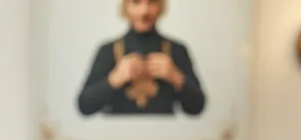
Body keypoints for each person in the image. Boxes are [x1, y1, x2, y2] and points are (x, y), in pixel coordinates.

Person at [77, 0, 205, 117]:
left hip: (165, 138)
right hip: (117, 139)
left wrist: (175, 77)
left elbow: (197, 108)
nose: (144, 11)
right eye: (136, 2)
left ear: (161, 6)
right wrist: (114, 79)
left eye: (152, 2)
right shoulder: (108, 50)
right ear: (125, 7)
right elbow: (84, 107)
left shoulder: (176, 50)